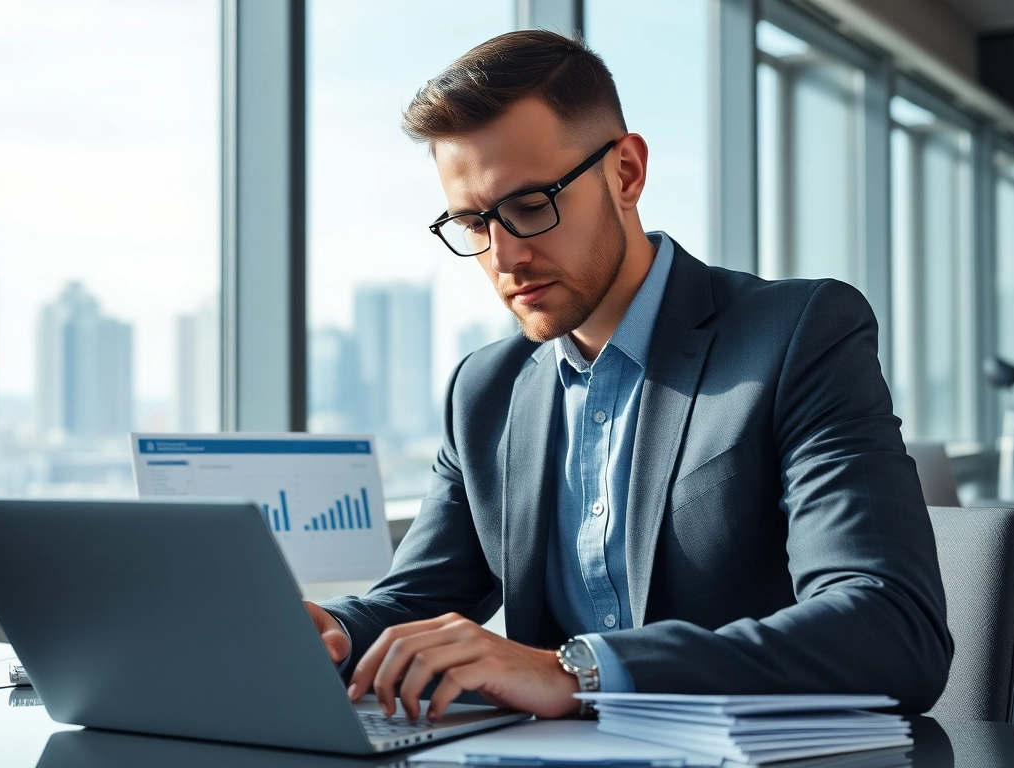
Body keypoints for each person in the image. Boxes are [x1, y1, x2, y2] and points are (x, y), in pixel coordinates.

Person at [303, 29, 952, 723]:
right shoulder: (485, 391)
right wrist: (323, 632)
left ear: (626, 173)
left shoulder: (798, 334)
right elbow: (414, 602)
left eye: (530, 206)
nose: (506, 255)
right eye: (474, 223)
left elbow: (892, 630)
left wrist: (578, 674)